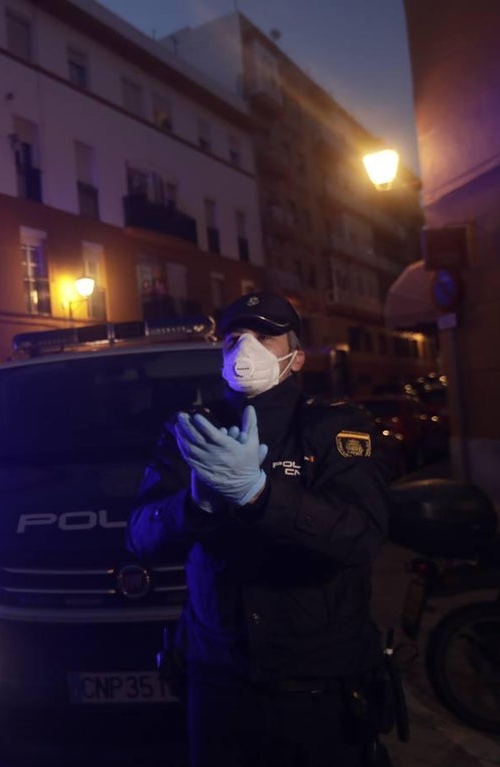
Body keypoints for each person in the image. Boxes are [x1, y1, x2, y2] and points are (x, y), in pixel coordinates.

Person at [127, 292, 394, 766]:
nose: (244, 350)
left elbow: (360, 534)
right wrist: (195, 503)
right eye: (234, 338)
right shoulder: (192, 431)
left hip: (320, 687)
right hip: (219, 684)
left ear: (296, 358)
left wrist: (259, 494)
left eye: (265, 337)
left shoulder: (334, 428)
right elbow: (142, 537)